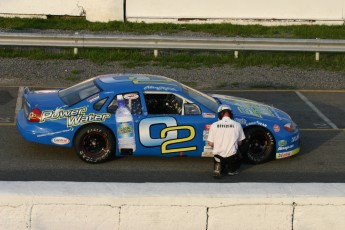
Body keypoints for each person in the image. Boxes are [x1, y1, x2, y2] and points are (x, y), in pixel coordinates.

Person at [207, 105, 245, 178]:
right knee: (239, 151)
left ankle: (218, 166)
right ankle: (231, 170)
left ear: (220, 114)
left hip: (218, 155)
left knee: (218, 157)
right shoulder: (237, 125)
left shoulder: (214, 125)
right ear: (230, 114)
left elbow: (210, 143)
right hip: (232, 157)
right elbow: (241, 142)